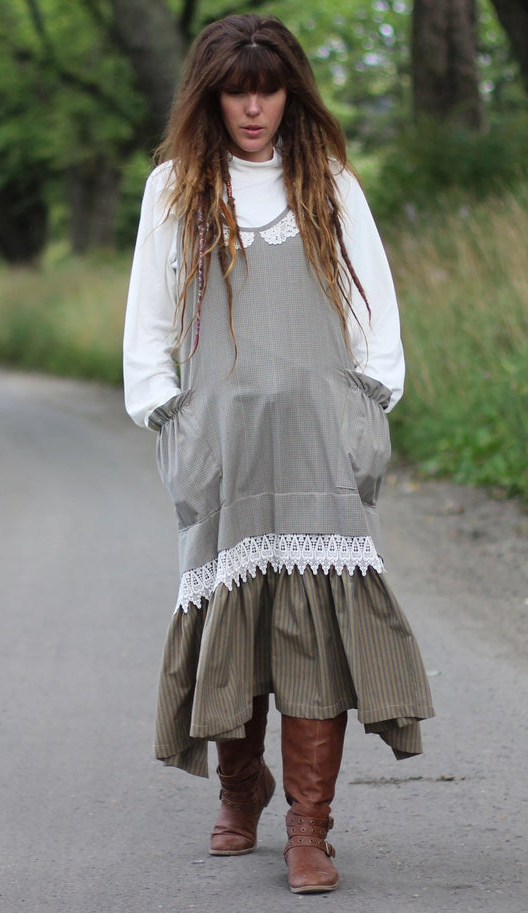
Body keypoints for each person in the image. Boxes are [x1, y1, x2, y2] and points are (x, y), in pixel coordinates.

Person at [123, 13, 435, 895]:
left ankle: (308, 825)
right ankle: (238, 786)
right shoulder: (176, 187)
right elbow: (150, 318)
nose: (252, 106)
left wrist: (369, 404)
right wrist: (164, 411)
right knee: (233, 614)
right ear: (210, 94)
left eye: (267, 87)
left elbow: (375, 310)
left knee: (311, 630)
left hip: (315, 441)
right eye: (235, 89)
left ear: (288, 90)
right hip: (220, 442)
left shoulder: (326, 181)